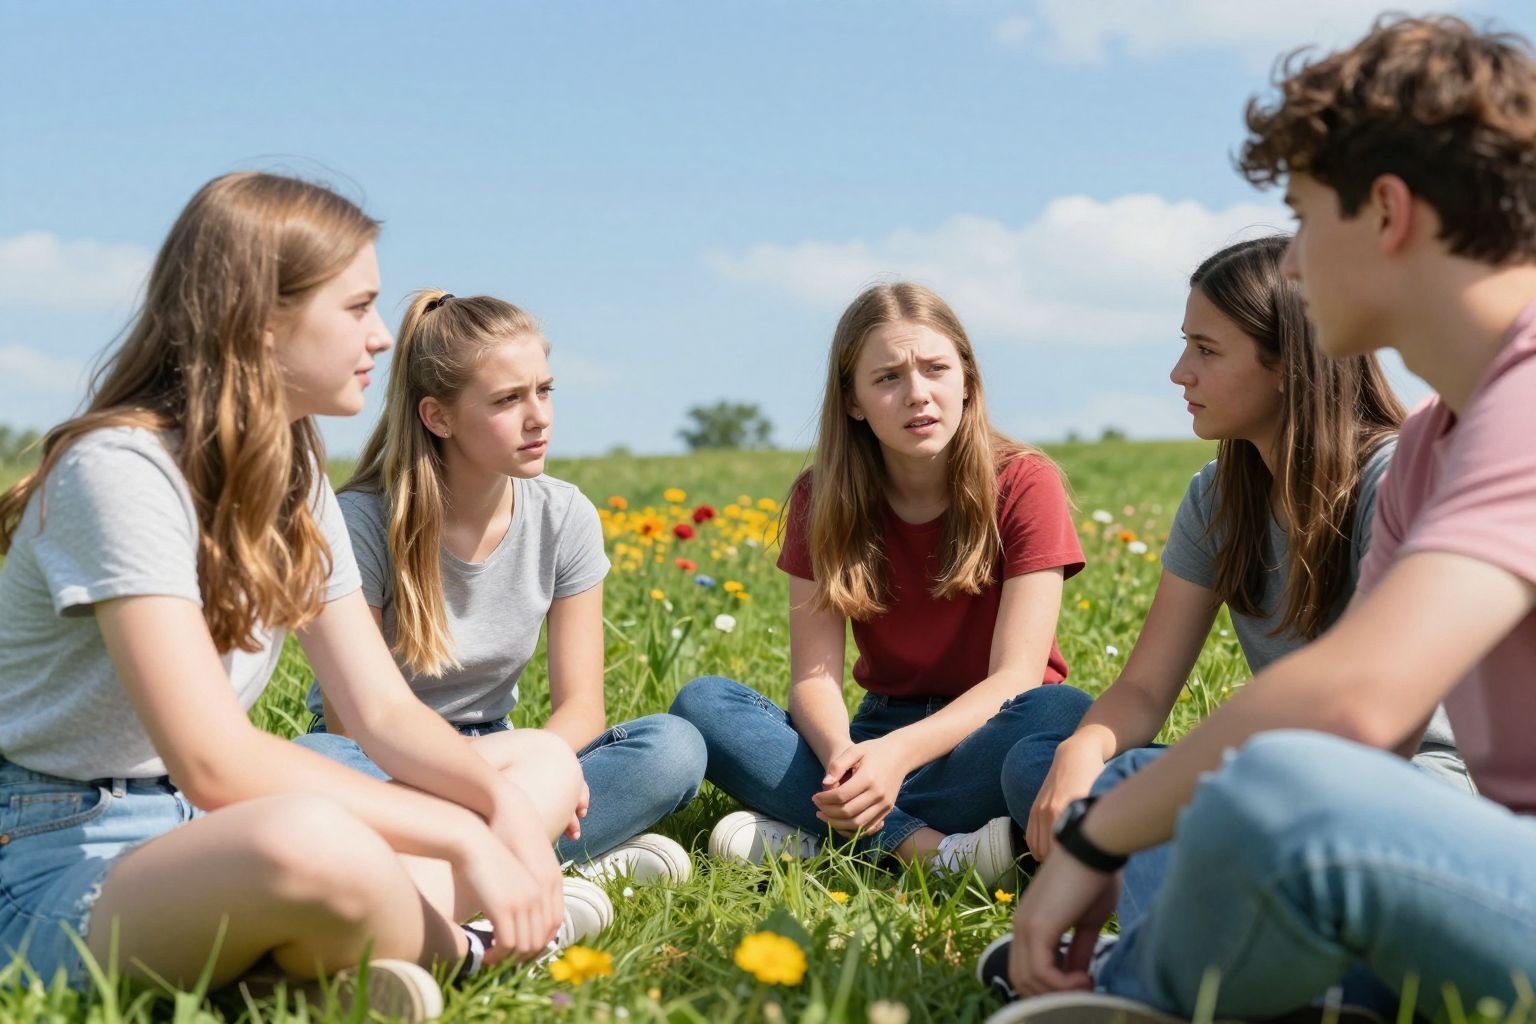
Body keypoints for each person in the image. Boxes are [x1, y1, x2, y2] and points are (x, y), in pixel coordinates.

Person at [991, 16, 1536, 1022]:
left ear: (1387, 211)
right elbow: (1362, 737)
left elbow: (1352, 711)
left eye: (1300, 216)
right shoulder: (1433, 445)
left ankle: (1134, 993)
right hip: (1475, 872)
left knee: (1276, 786)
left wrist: (1103, 839)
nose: (1290, 265)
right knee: (1248, 792)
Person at [0, 173, 581, 1022]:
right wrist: (465, 833)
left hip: (209, 832)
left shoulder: (292, 465)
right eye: (357, 308)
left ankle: (297, 973)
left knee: (539, 765)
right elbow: (216, 761)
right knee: (310, 841)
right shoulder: (119, 472)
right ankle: (475, 951)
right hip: (64, 863)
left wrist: (499, 811)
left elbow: (380, 708)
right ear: (261, 321)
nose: (382, 339)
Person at [1006, 235, 1468, 876]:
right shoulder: (1219, 497)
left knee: (1148, 793)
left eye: (1206, 349)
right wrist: (1083, 750)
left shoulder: (1392, 479)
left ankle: (1159, 929)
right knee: (1047, 762)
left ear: (1287, 366)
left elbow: (1374, 722)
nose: (1178, 372)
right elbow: (1142, 688)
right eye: (1184, 343)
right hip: (1279, 777)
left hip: (1414, 786)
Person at [671, 282, 1092, 888]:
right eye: (888, 377)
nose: (917, 394)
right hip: (874, 731)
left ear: (967, 380)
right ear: (854, 402)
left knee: (1063, 709)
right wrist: (848, 759)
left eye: (936, 369)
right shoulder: (822, 498)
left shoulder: (1026, 482)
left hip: (992, 730)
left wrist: (894, 761)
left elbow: (1017, 678)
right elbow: (812, 680)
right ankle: (931, 851)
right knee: (704, 703)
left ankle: (820, 833)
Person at [297, 289, 706, 891]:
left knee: (674, 749)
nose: (538, 416)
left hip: (511, 754)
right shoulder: (359, 522)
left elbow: (582, 711)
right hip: (381, 763)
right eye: (508, 399)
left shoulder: (565, 516)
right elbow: (351, 728)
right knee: (319, 768)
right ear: (438, 417)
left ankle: (447, 875)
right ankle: (548, 863)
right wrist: (505, 793)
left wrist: (533, 775)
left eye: (544, 390)